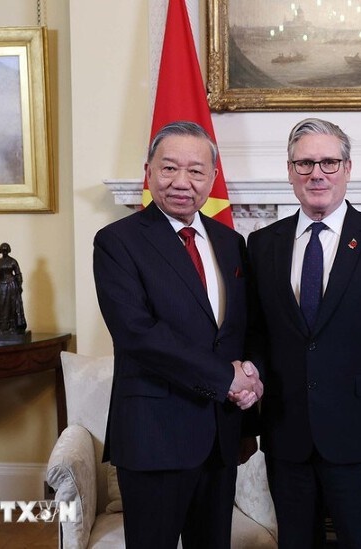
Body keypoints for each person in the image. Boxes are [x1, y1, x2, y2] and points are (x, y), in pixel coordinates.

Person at [247, 118, 361, 548]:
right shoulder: (262, 243)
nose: (317, 174)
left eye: (328, 162)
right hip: (288, 439)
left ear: (347, 168)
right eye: (304, 163)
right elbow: (257, 337)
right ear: (289, 171)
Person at [93, 121, 262, 549]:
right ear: (148, 171)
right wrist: (227, 379)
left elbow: (242, 329)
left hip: (220, 437)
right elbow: (138, 334)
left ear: (212, 178)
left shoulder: (230, 242)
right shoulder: (117, 242)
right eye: (169, 168)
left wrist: (251, 379)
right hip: (154, 437)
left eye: (196, 171)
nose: (182, 182)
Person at [0, 242, 27, 334]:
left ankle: (12, 327)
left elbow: (18, 274)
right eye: (3, 250)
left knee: (11, 306)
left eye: (5, 250)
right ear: (0, 251)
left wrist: (19, 285)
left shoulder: (13, 261)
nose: (4, 252)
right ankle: (1, 327)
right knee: (1, 306)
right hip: (1, 286)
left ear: (8, 251)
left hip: (11, 286)